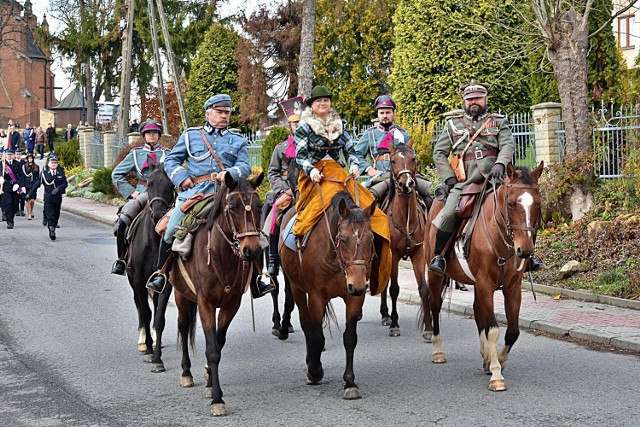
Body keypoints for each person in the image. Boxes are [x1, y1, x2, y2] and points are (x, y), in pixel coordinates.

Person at [146, 94, 274, 297]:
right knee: (171, 229)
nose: (224, 116)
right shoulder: (190, 136)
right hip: (195, 194)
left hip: (227, 194)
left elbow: (245, 166)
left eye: (227, 112)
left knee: (253, 231)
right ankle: (160, 274)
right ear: (208, 114)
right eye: (219, 112)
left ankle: (260, 278)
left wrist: (230, 174)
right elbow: (171, 161)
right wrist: (182, 177)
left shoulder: (238, 140)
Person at [428, 80, 542, 273]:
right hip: (465, 184)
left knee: (525, 208)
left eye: (478, 98)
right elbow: (439, 153)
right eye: (470, 99)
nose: (474, 102)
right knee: (448, 214)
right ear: (464, 102)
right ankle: (439, 257)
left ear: (485, 99)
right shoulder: (453, 125)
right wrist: (450, 179)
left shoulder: (498, 122)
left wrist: (500, 164)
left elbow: (507, 145)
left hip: (496, 181)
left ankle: (529, 256)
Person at [293, 85, 392, 293]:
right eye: (319, 101)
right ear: (312, 105)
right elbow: (300, 156)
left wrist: (355, 164)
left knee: (379, 217)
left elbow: (352, 151)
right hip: (315, 176)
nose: (323, 104)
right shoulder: (303, 126)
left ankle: (376, 273)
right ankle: (298, 249)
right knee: (308, 217)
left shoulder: (340, 124)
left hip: (339, 173)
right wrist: (311, 170)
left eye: (326, 101)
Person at [110, 120, 170, 275]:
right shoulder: (135, 154)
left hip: (164, 195)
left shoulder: (167, 154)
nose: (152, 135)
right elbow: (116, 174)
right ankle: (121, 260)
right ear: (144, 135)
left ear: (159, 135)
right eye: (149, 132)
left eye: (155, 132)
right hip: (143, 192)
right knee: (123, 219)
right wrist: (131, 192)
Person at [355, 94, 432, 206]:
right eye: (382, 113)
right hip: (379, 177)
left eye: (388, 112)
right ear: (377, 114)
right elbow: (356, 154)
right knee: (365, 204)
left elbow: (412, 157)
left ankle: (431, 222)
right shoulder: (369, 134)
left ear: (393, 114)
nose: (385, 116)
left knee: (428, 199)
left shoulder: (403, 134)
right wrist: (368, 168)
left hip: (403, 175)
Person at [263, 96, 303, 278]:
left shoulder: (312, 147)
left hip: (307, 189)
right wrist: (283, 189)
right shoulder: (281, 148)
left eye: (301, 123)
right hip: (287, 190)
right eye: (295, 124)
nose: (298, 126)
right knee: (275, 214)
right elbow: (272, 172)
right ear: (289, 126)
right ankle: (272, 259)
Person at [40, 155, 68, 240]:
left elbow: (65, 183)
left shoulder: (60, 172)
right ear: (48, 164)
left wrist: (58, 189)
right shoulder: (45, 173)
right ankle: (51, 230)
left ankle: (53, 225)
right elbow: (38, 182)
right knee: (50, 214)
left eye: (55, 163)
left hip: (57, 197)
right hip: (48, 197)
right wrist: (30, 193)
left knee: (56, 214)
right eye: (52, 163)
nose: (53, 164)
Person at [1, 148, 25, 229]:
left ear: (13, 155)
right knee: (8, 204)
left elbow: (21, 175)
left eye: (11, 154)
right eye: (8, 154)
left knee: (15, 205)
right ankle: (9, 221)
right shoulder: (2, 164)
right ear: (5, 155)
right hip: (6, 186)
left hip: (15, 186)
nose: (9, 156)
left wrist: (18, 184)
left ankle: (11, 217)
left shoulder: (17, 164)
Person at [22, 153, 40, 219]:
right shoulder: (24, 166)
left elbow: (38, 176)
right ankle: (29, 213)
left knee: (32, 200)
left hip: (34, 184)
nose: (30, 159)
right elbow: (23, 176)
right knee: (27, 199)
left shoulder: (36, 166)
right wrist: (23, 185)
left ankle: (31, 210)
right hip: (27, 184)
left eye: (31, 158)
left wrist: (38, 184)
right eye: (29, 158)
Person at [14, 149, 26, 216]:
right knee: (16, 197)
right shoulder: (14, 162)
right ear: (15, 155)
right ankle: (17, 210)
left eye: (19, 154)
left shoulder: (24, 162)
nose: (18, 155)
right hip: (15, 180)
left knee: (22, 197)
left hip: (22, 180)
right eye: (17, 154)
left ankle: (22, 209)